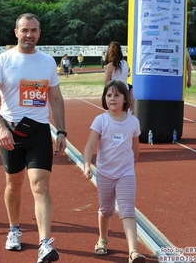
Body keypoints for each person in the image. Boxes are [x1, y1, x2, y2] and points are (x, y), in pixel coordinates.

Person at [0, 13, 66, 263]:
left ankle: (44, 244)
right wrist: (0, 128)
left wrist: (61, 130)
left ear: (39, 33)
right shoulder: (3, 61)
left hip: (39, 130)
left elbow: (55, 98)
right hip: (11, 131)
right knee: (14, 185)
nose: (30, 34)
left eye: (34, 30)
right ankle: (14, 229)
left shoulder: (48, 62)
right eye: (25, 30)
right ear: (16, 32)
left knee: (40, 185)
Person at [83, 80, 145, 263]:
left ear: (125, 99)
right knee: (106, 210)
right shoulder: (100, 120)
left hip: (126, 173)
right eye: (109, 95)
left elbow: (136, 149)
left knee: (127, 210)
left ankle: (133, 251)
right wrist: (87, 165)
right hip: (104, 173)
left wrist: (131, 168)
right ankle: (102, 239)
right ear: (105, 98)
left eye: (117, 95)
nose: (112, 98)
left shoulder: (133, 122)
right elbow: (90, 145)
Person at [104, 41, 134, 112]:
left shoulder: (110, 66)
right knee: (125, 113)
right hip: (125, 90)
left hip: (115, 91)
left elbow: (106, 82)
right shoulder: (125, 63)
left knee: (115, 114)